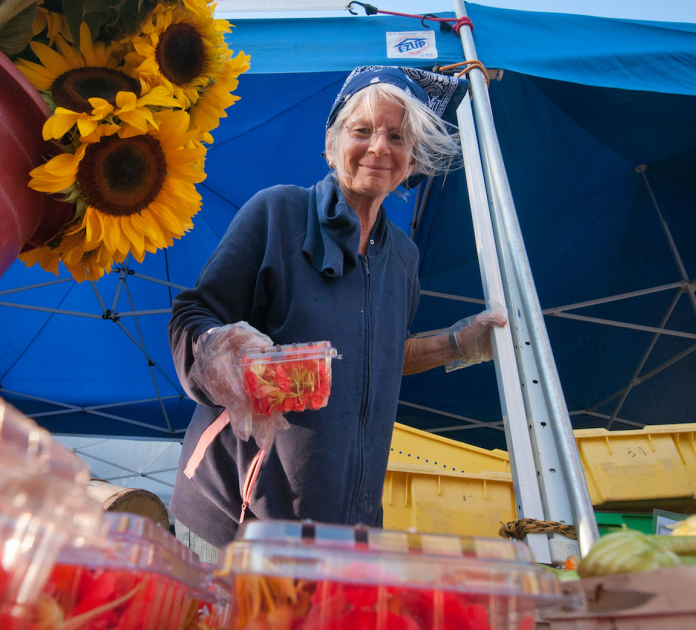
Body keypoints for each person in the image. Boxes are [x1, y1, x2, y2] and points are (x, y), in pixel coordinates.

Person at [168, 66, 507, 561]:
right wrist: (223, 355)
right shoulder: (278, 213)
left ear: (411, 159)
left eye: (397, 136)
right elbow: (191, 317)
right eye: (362, 130)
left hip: (344, 535)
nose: (379, 148)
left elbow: (376, 358)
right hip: (240, 523)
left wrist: (457, 345)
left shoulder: (404, 258)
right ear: (331, 142)